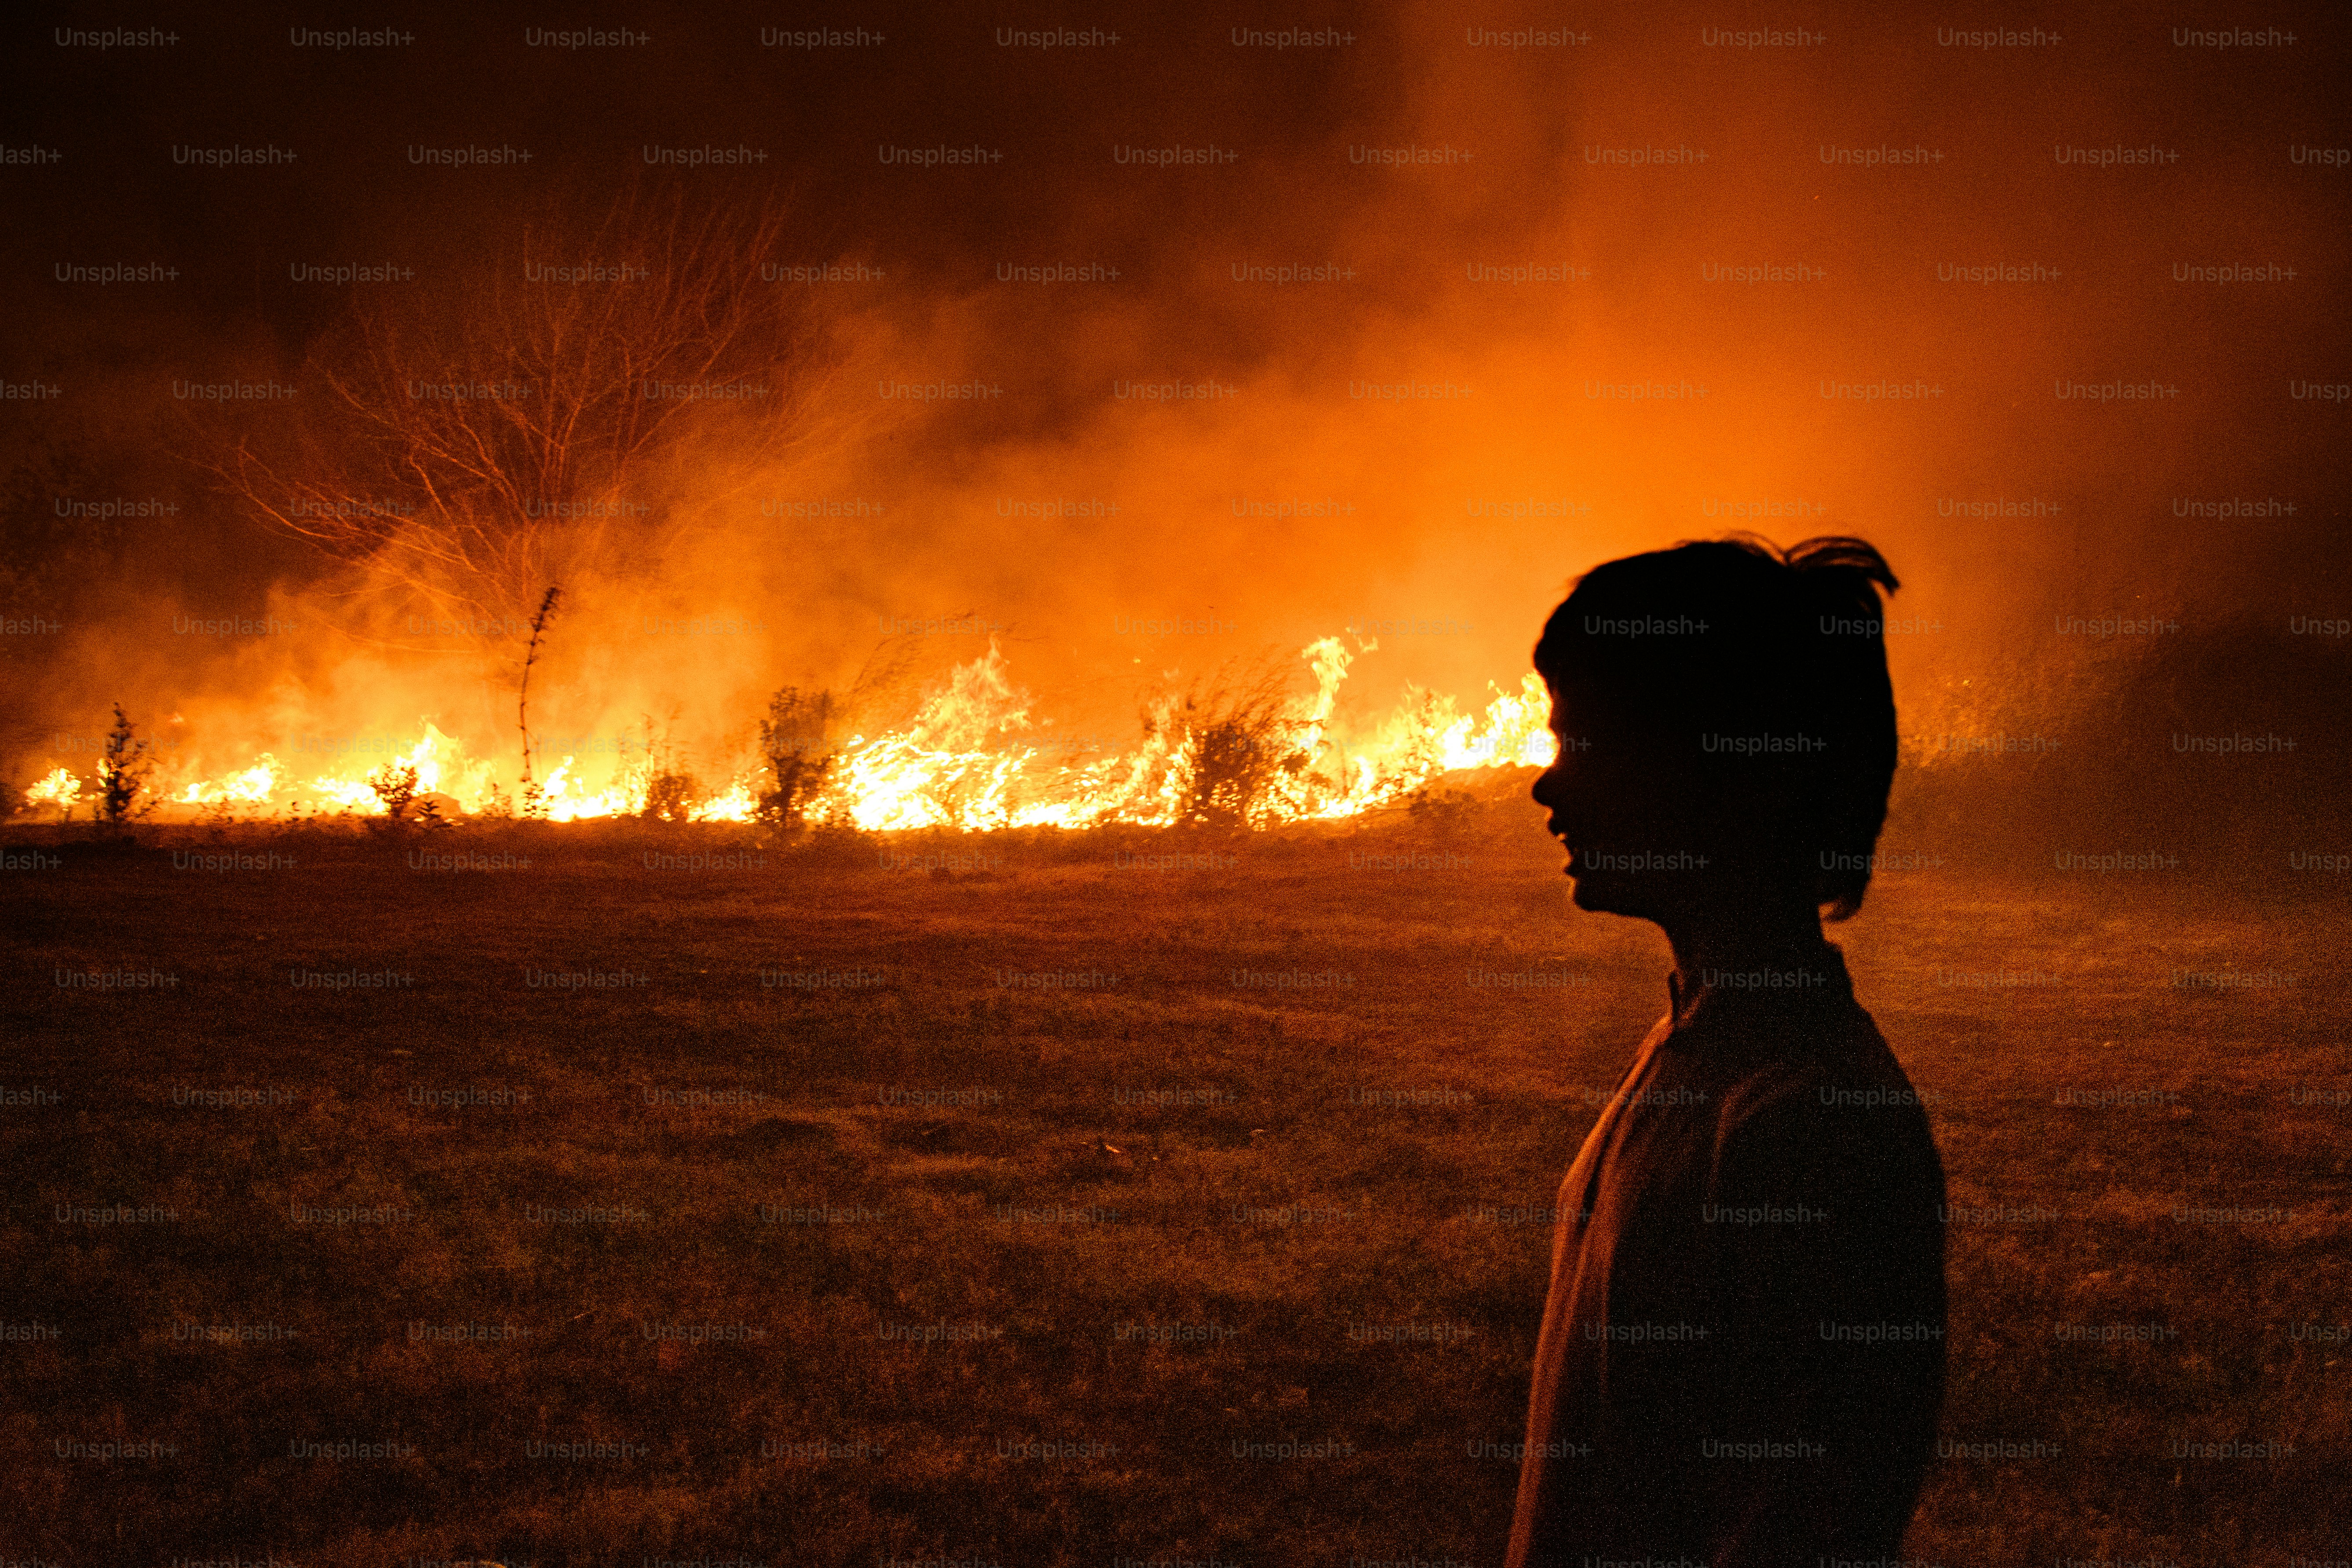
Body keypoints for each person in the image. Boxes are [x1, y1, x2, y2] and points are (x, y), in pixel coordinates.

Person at [1506, 535, 1947, 1567]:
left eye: (1586, 745)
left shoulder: (1806, 1123)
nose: (1546, 788)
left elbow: (1804, 1520)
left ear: (1729, 775)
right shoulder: (1696, 1048)